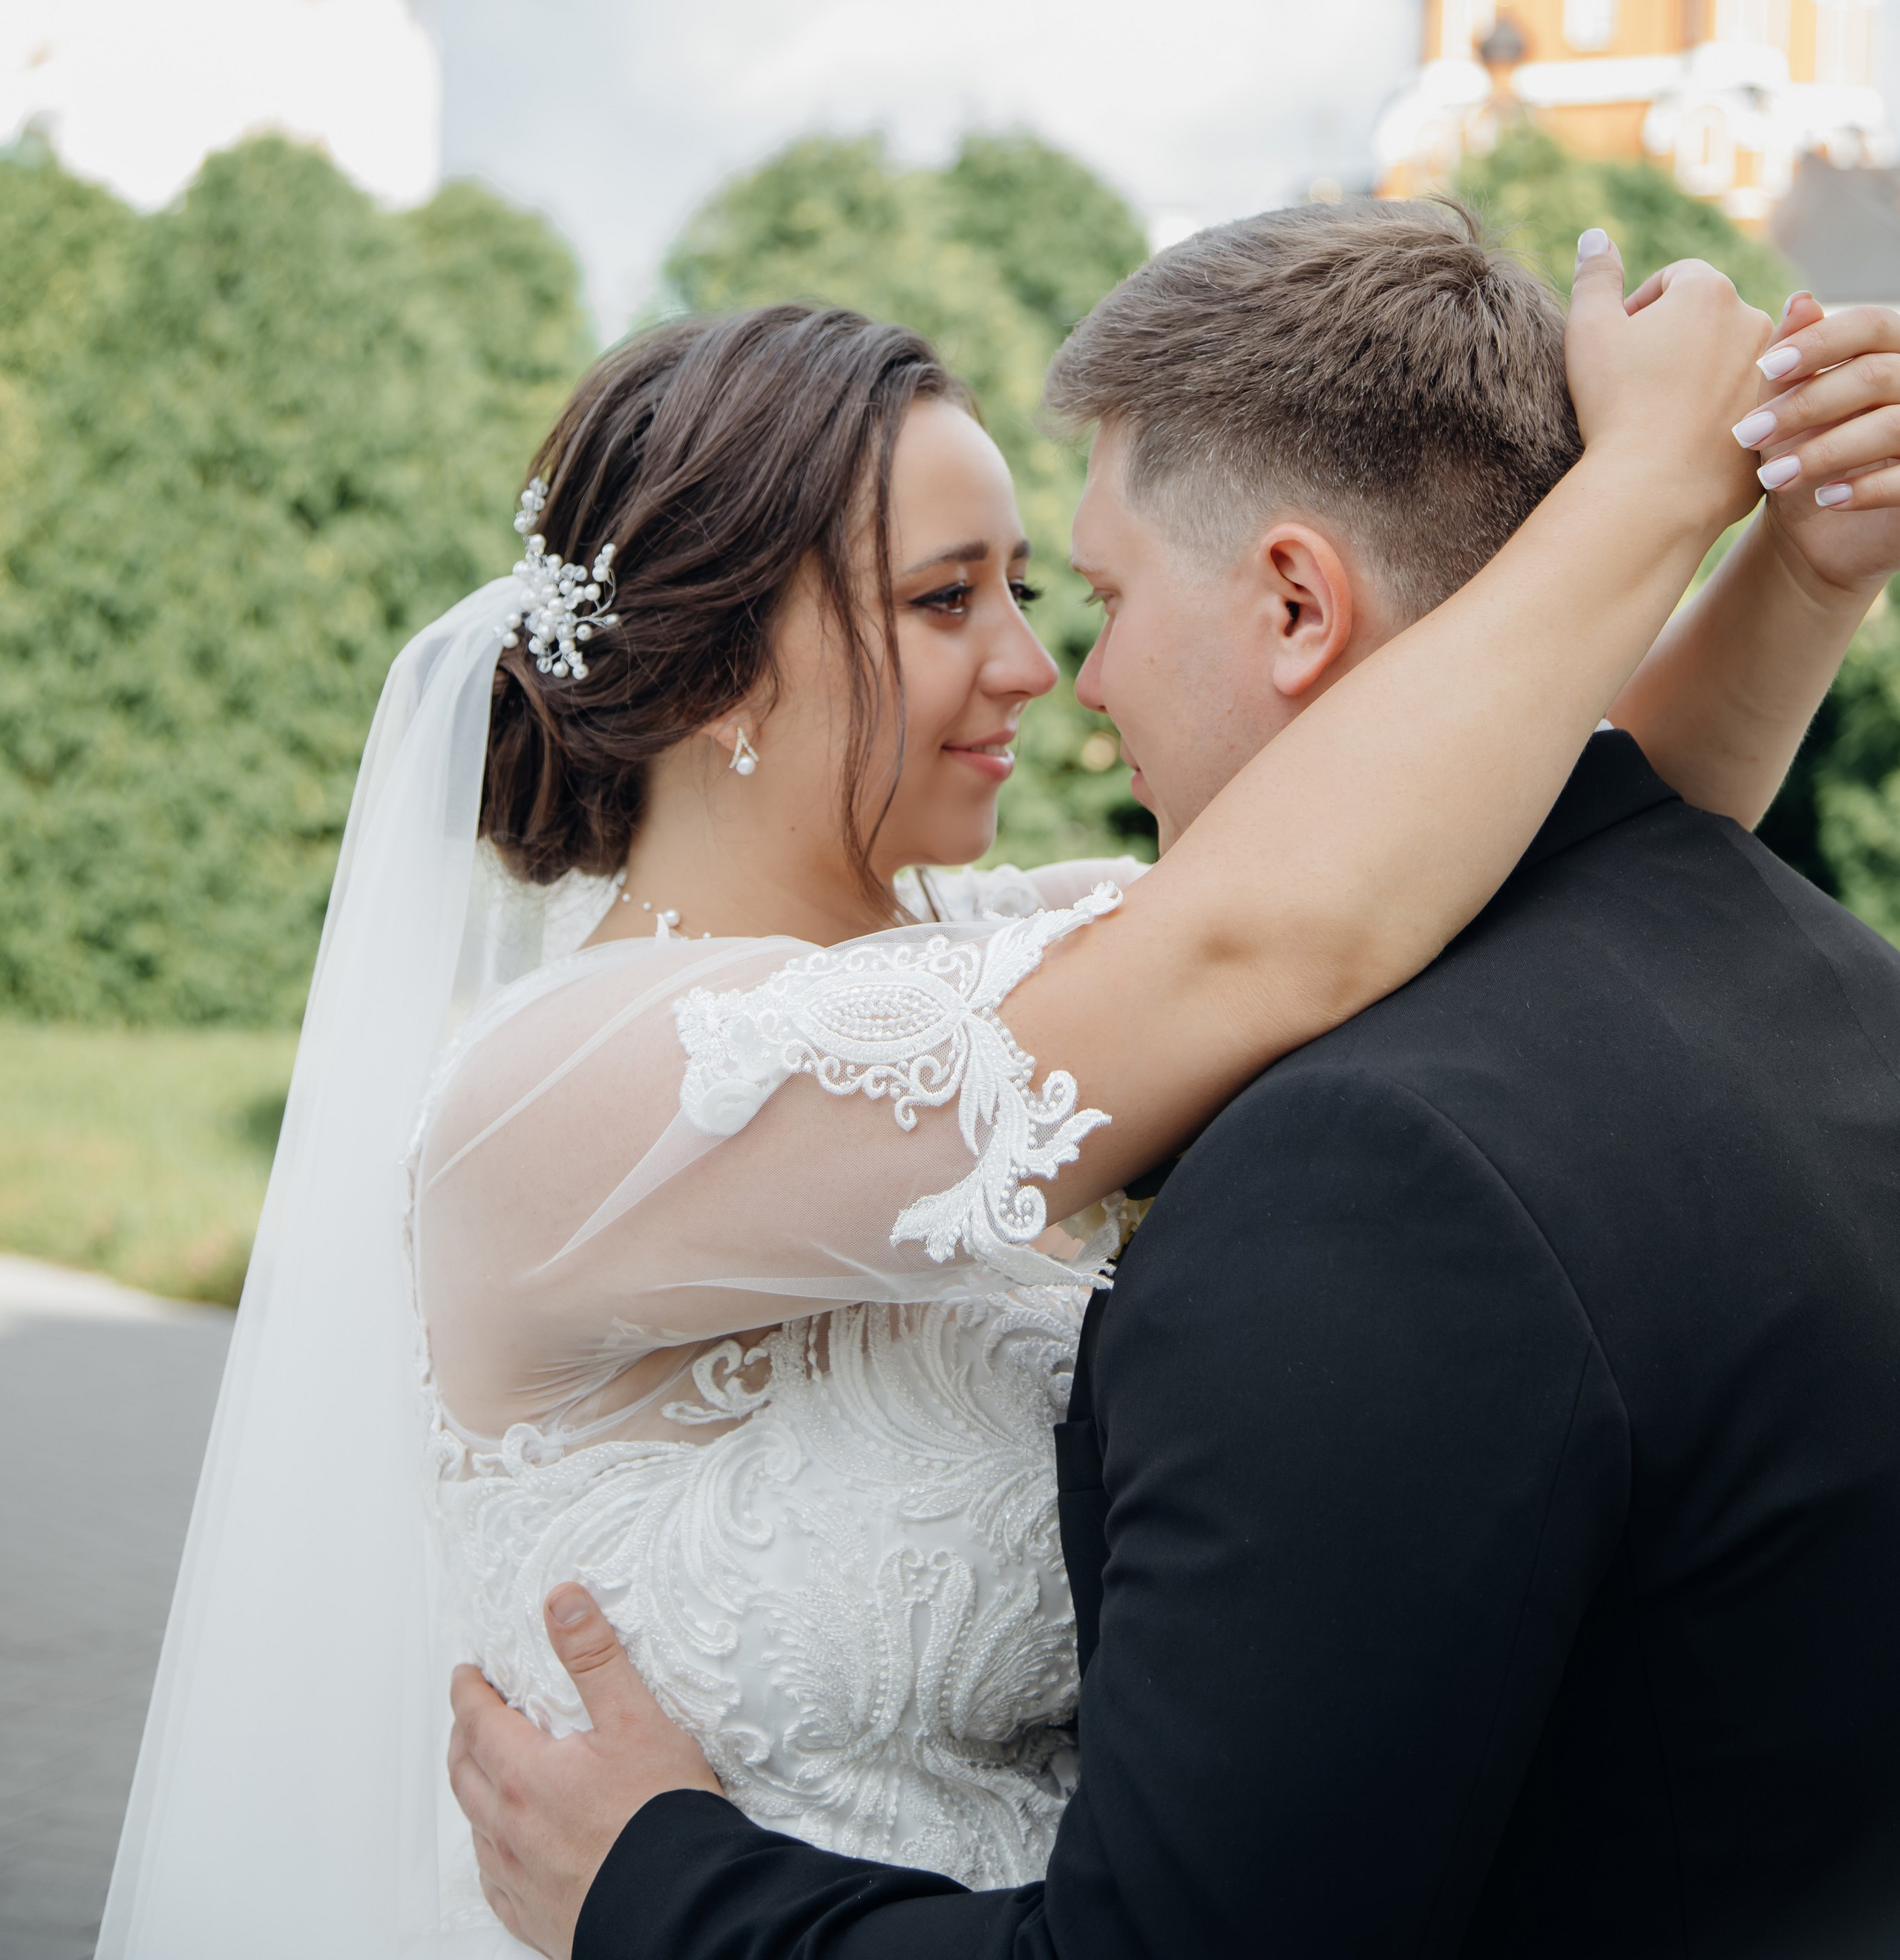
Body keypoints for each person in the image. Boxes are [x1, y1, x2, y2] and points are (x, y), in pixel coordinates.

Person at [96, 206, 1890, 1959]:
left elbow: (1484, 858)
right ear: (724, 660)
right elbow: (1278, 938)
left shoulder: (1008, 954)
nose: (1035, 665)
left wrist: (1796, 576)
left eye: (1033, 590)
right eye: (947, 598)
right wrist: (1646, 483)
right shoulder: (571, 1096)